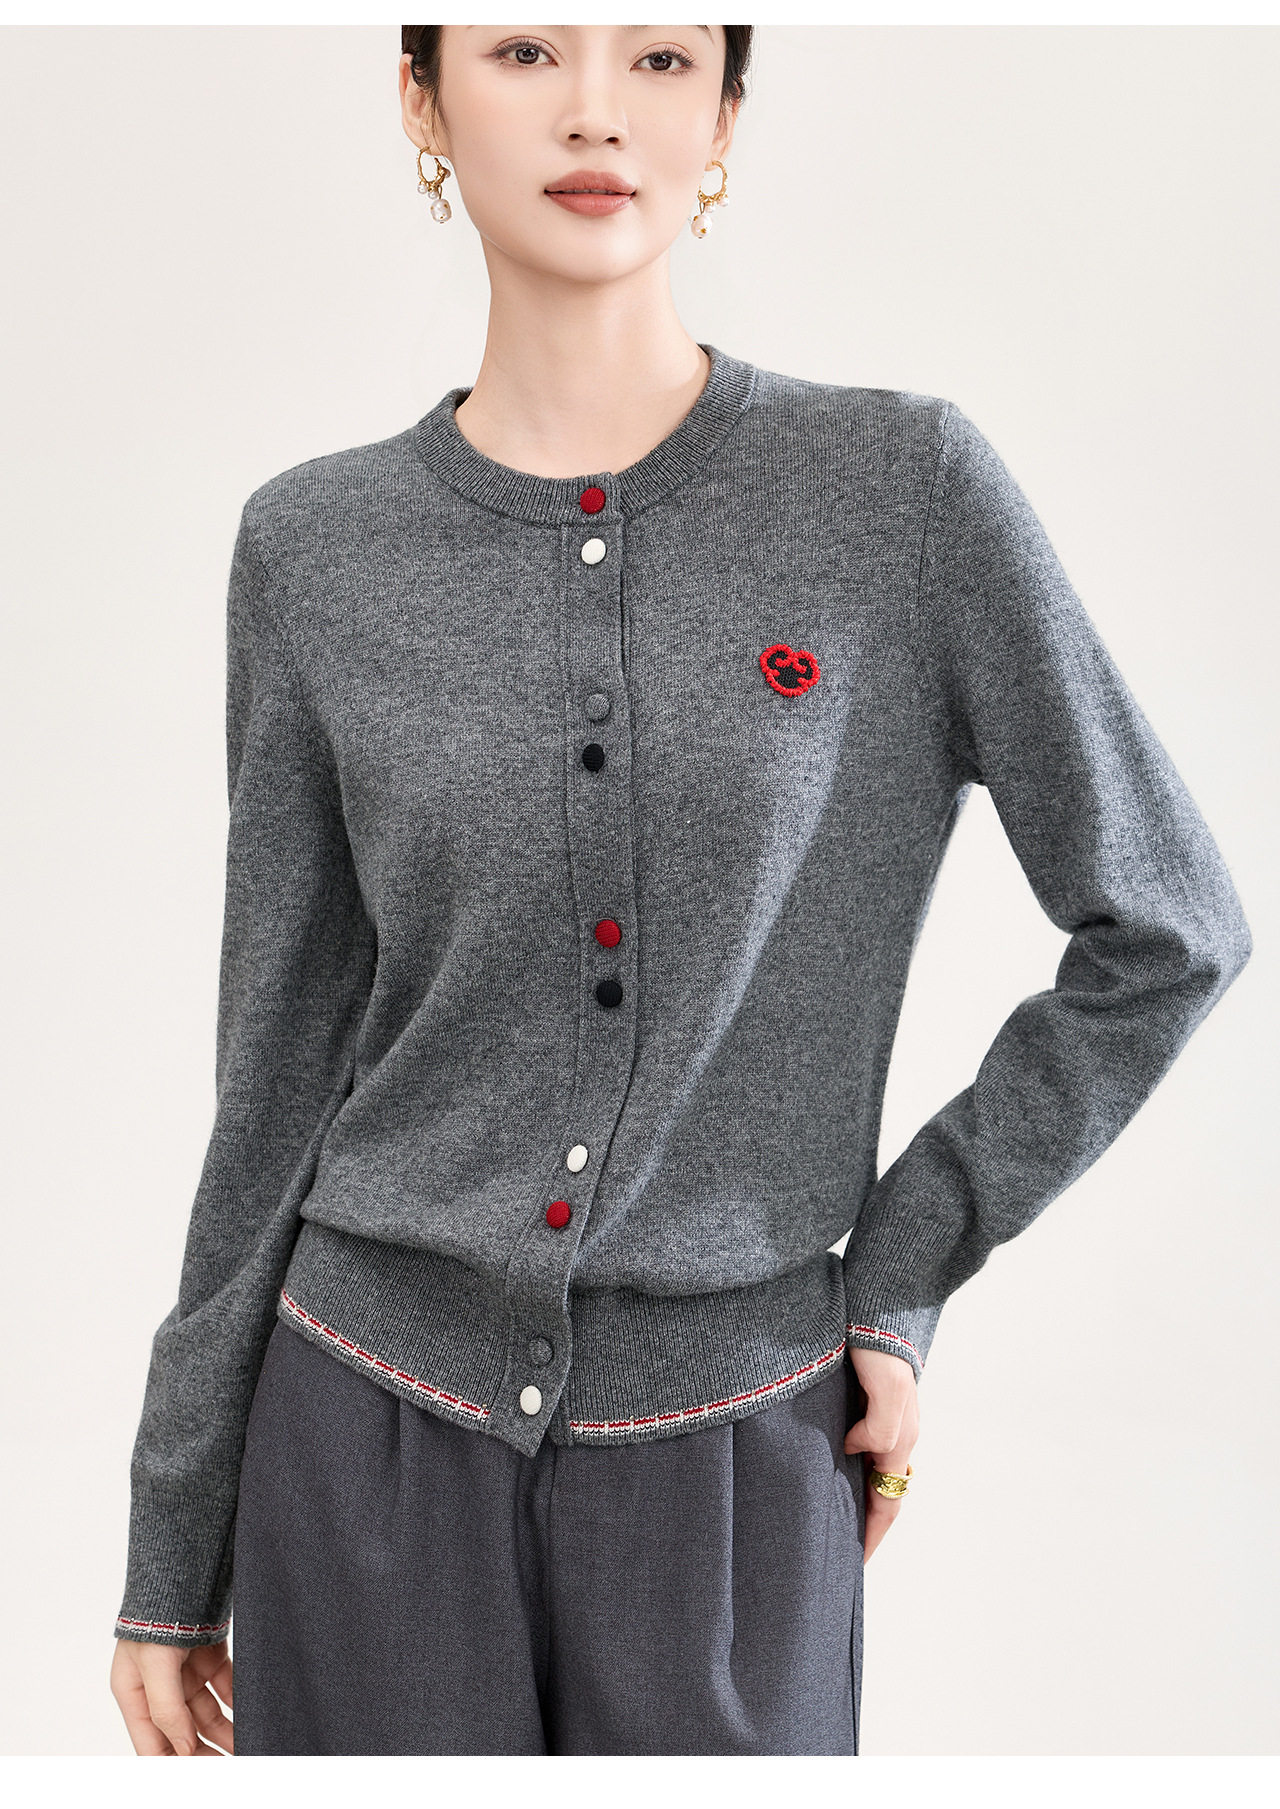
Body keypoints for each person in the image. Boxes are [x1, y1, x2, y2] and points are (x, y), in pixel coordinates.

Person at [109, 23, 1252, 1758]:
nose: (595, 112)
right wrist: (170, 1539)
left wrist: (903, 1268)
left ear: (724, 114)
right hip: (359, 1444)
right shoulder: (312, 551)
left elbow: (1169, 926)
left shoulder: (902, 494)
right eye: (523, 49)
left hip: (741, 1457)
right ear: (421, 98)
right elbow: (274, 1072)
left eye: (658, 57)